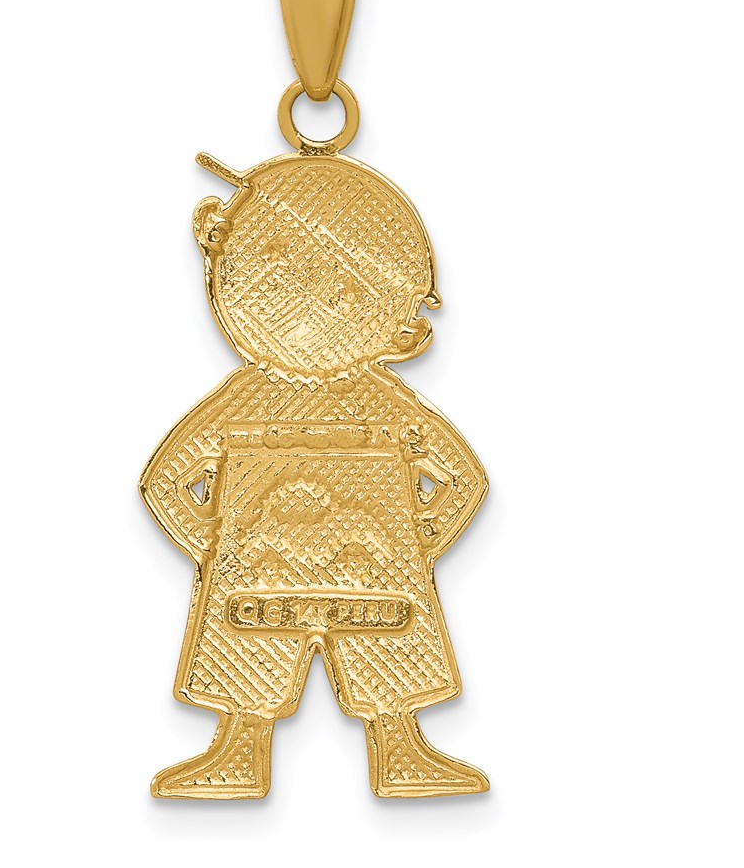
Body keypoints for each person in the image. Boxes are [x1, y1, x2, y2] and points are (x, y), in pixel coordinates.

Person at [141, 152, 489, 798]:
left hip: (375, 579)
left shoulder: (386, 404)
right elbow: (165, 482)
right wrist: (218, 546)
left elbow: (463, 480)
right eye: (280, 280)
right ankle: (238, 752)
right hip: (257, 578)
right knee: (248, 664)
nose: (308, 309)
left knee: (389, 663)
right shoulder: (244, 402)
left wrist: (413, 543)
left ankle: (402, 750)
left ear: (399, 321)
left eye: (341, 293)